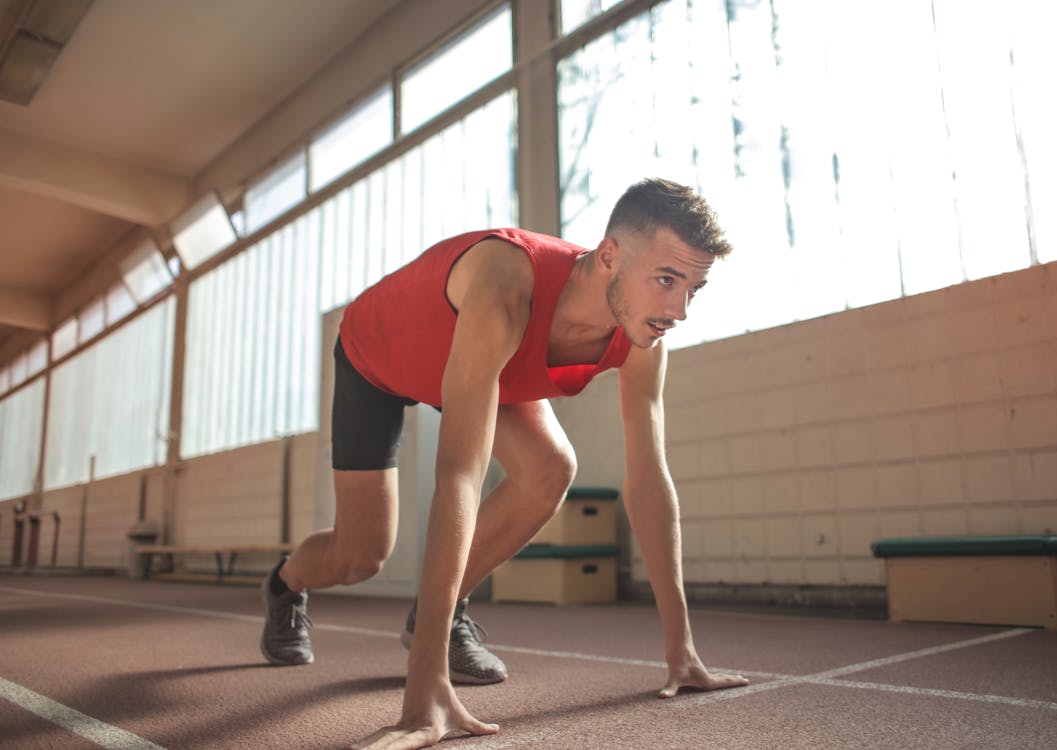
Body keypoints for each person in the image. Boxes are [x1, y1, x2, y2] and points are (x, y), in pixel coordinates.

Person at [259, 177, 750, 749]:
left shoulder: (645, 337)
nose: (679, 309)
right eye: (666, 280)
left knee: (550, 467)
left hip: (482, 365)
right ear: (610, 256)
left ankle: (439, 616)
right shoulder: (506, 284)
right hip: (380, 357)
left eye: (695, 287)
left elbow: (649, 479)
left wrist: (681, 651)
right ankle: (285, 584)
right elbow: (459, 477)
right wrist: (424, 694)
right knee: (361, 554)